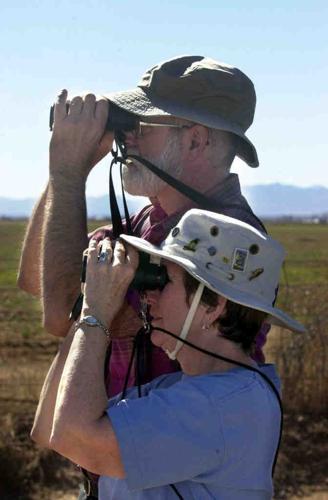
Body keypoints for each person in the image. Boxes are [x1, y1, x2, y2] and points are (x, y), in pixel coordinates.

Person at [18, 56, 269, 397]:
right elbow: (36, 278)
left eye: (142, 125)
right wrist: (62, 170)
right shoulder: (146, 222)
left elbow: (62, 314)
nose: (127, 137)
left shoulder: (225, 241)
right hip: (123, 441)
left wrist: (68, 172)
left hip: (181, 441)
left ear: (195, 140)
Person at [31, 209, 305, 499]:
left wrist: (95, 312)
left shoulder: (223, 406)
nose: (148, 296)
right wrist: (86, 309)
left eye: (163, 282)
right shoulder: (188, 390)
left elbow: (74, 437)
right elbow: (48, 427)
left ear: (212, 306)